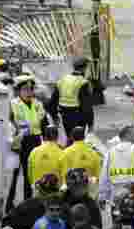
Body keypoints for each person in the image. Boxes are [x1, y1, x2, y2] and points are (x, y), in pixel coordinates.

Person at [7, 74, 50, 205]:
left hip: (34, 141)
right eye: (25, 89)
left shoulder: (38, 104)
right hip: (18, 141)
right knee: (13, 174)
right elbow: (8, 123)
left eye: (31, 89)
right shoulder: (13, 104)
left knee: (30, 174)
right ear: (19, 90)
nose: (29, 92)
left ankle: (28, 202)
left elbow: (44, 124)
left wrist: (48, 141)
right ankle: (9, 203)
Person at [98, 126, 134, 205]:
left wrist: (102, 195)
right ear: (127, 135)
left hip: (116, 197)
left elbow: (104, 176)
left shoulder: (110, 153)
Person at [53, 57, 94, 139]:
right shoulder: (83, 82)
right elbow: (87, 106)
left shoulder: (62, 80)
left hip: (64, 115)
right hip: (79, 117)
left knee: (69, 138)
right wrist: (90, 124)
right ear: (84, 68)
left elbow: (52, 101)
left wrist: (54, 116)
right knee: (78, 141)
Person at [28, 125, 65, 191]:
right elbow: (64, 176)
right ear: (57, 137)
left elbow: (30, 175)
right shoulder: (62, 153)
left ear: (44, 137)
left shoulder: (34, 152)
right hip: (55, 194)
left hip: (38, 191)